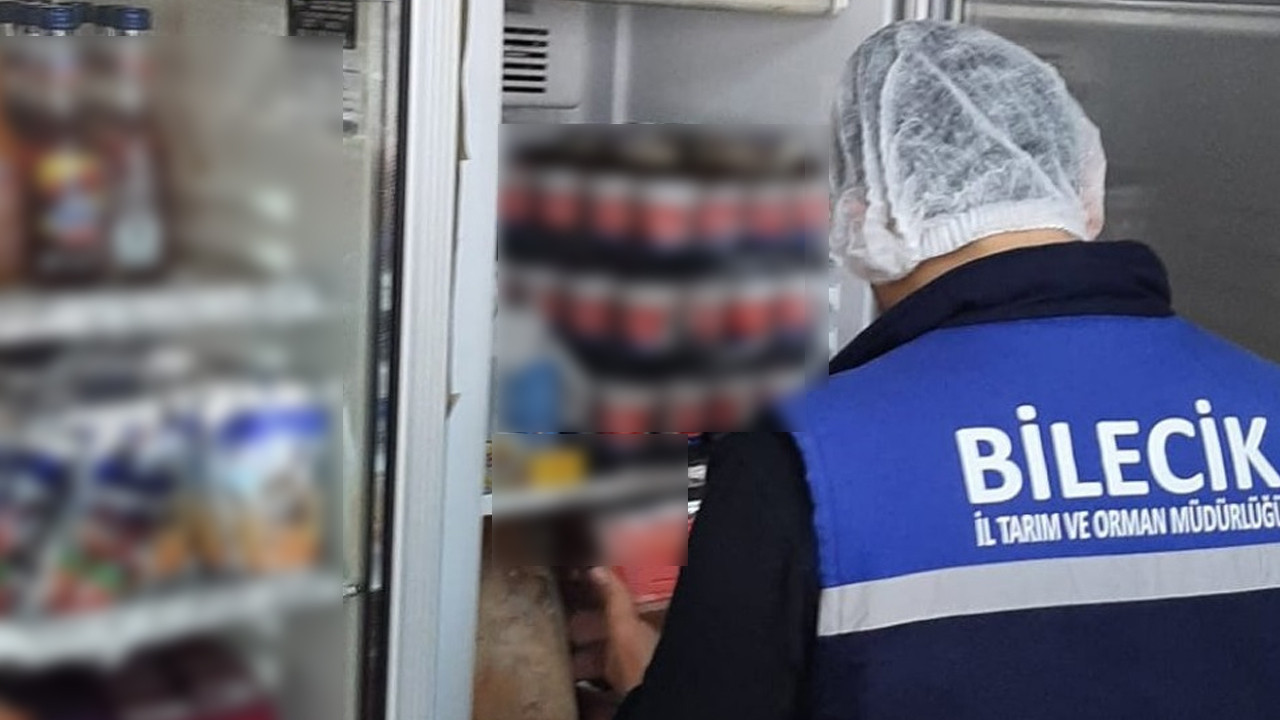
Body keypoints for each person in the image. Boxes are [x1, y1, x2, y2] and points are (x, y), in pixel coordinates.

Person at [588, 19, 1280, 720]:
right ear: (1083, 189)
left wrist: (640, 677)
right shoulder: (1269, 406)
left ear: (864, 216)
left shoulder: (806, 452)